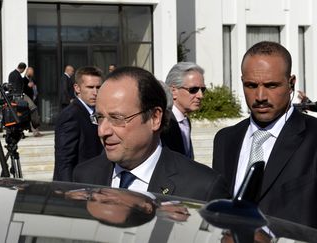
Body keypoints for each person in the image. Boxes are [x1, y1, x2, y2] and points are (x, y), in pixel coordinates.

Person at [73, 66, 229, 202]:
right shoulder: (85, 176)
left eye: (117, 118)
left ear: (155, 118)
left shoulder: (202, 187)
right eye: (100, 118)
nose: (102, 131)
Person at [212, 41, 317, 228]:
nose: (260, 96)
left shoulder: (313, 137)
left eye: (271, 85)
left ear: (291, 83)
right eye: (251, 85)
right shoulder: (225, 140)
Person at [54, 66, 104, 181]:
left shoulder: (100, 112)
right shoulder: (71, 115)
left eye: (98, 87)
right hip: (79, 189)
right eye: (90, 87)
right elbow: (64, 160)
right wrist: (68, 191)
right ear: (77, 88)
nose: (95, 92)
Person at [161, 62, 206, 159]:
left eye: (203, 90)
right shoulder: (162, 122)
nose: (200, 95)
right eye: (193, 89)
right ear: (173, 91)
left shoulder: (185, 121)